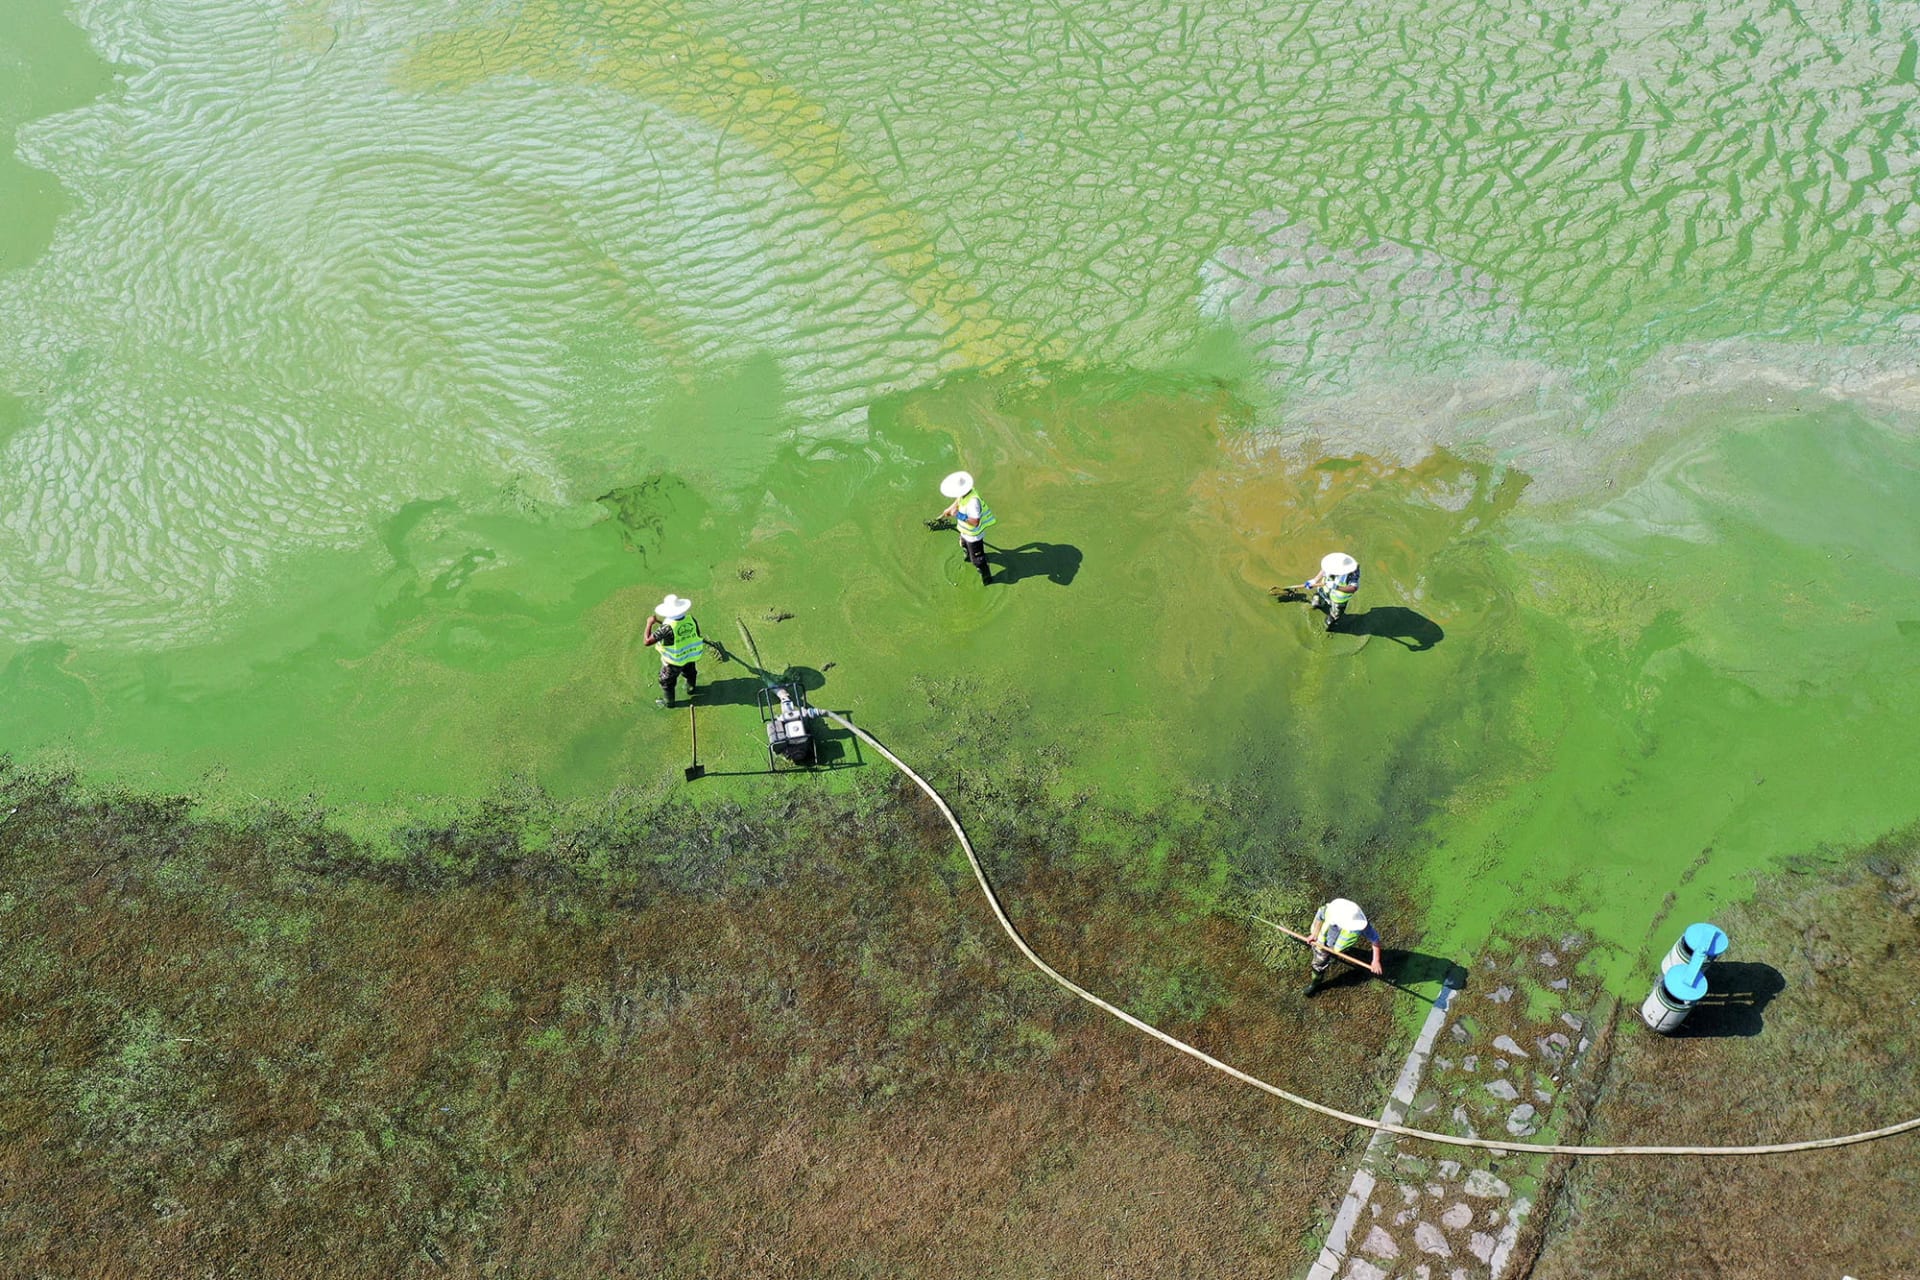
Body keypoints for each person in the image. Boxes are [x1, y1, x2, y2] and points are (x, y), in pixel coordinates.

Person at [1306, 897, 1384, 991]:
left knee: (1322, 961)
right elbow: (1320, 916)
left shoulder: (1359, 922)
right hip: (1322, 941)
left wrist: (1376, 961)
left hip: (1335, 945)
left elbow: (1375, 939)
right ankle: (1315, 982)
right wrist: (1314, 934)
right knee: (1318, 963)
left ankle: (1316, 981)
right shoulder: (1330, 912)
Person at [644, 594, 706, 706]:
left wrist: (649, 623)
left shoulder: (666, 628)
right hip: (690, 656)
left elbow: (647, 641)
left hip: (674, 662)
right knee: (690, 673)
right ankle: (691, 689)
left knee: (666, 681)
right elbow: (696, 634)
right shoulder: (691, 619)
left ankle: (669, 703)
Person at [937, 470, 996, 585]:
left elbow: (975, 522)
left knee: (977, 560)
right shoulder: (966, 493)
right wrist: (950, 508)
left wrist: (957, 514)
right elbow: (958, 500)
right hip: (964, 531)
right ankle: (968, 555)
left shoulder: (973, 503)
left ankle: (986, 576)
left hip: (973, 535)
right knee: (963, 544)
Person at [1300, 551, 1361, 630]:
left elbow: (1353, 588)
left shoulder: (1353, 571)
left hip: (1338, 599)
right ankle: (1319, 602)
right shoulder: (1333, 562)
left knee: (1333, 617)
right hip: (1324, 589)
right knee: (1317, 599)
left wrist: (1336, 587)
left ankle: (1331, 621)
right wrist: (1314, 580)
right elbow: (1324, 569)